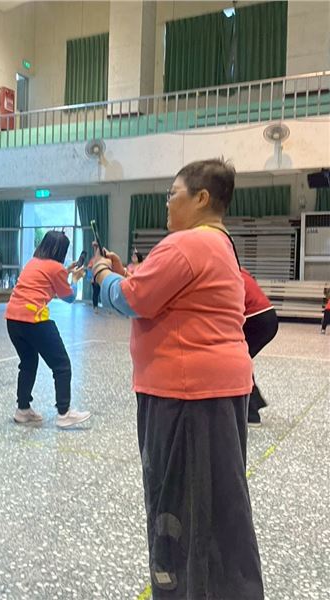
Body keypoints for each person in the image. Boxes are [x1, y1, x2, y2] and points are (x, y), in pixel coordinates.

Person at [91, 159, 263, 599]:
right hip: (216, 390)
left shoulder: (186, 243)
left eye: (173, 194)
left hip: (185, 394)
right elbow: (166, 294)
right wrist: (127, 275)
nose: (167, 203)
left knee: (180, 510)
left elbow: (133, 300)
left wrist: (104, 276)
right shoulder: (219, 244)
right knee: (220, 508)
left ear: (201, 198)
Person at [4, 231, 91, 428]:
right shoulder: (56, 268)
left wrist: (66, 271)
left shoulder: (33, 262)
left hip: (13, 320)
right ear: (61, 251)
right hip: (34, 320)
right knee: (62, 365)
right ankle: (64, 413)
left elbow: (46, 278)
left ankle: (22, 409)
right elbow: (69, 297)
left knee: (28, 363)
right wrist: (75, 279)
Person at [241, 268, 278, 426]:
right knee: (242, 359)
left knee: (238, 361)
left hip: (255, 319)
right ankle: (253, 404)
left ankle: (251, 411)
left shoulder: (227, 271)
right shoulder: (240, 270)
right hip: (269, 316)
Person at [86, 242, 101, 312]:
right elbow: (89, 268)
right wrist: (90, 278)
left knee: (101, 293)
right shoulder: (93, 259)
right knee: (95, 293)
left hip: (101, 279)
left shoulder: (102, 259)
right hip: (95, 280)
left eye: (96, 248)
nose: (95, 250)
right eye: (94, 248)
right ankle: (95, 306)